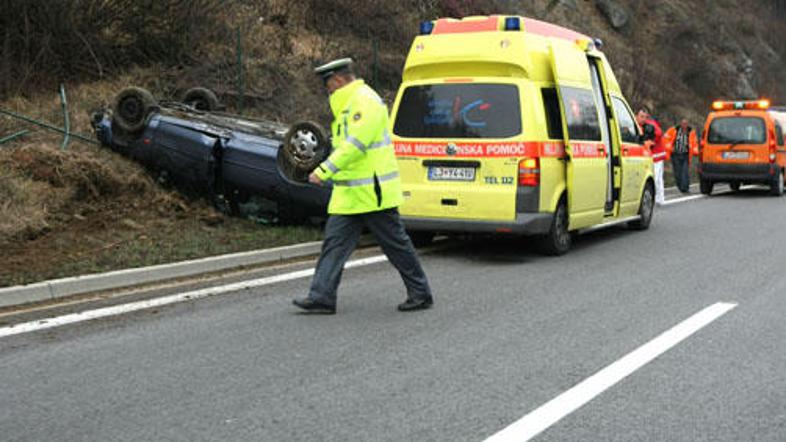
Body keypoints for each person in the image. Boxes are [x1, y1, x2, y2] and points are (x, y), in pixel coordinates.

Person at [292, 58, 433, 314]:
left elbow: (355, 145)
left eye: (328, 85)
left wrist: (324, 170)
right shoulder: (348, 105)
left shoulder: (365, 102)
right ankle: (322, 296)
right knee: (334, 245)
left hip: (373, 193)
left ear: (337, 80)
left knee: (396, 246)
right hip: (349, 194)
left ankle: (421, 293)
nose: (328, 90)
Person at [636, 109, 666, 204]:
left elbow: (658, 133)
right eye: (642, 116)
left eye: (645, 117)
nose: (644, 119)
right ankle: (660, 198)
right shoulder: (635, 124)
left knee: (656, 177)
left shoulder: (650, 125)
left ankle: (657, 198)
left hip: (656, 155)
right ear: (636, 116)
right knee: (658, 178)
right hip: (653, 154)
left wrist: (651, 141)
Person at [664, 119, 699, 193]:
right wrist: (670, 148)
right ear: (680, 124)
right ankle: (680, 186)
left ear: (687, 124)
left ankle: (685, 188)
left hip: (686, 155)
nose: (684, 125)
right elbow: (665, 139)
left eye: (686, 124)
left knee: (685, 171)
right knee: (677, 172)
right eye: (683, 123)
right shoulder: (673, 130)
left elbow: (695, 143)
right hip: (676, 155)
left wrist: (695, 151)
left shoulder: (691, 132)